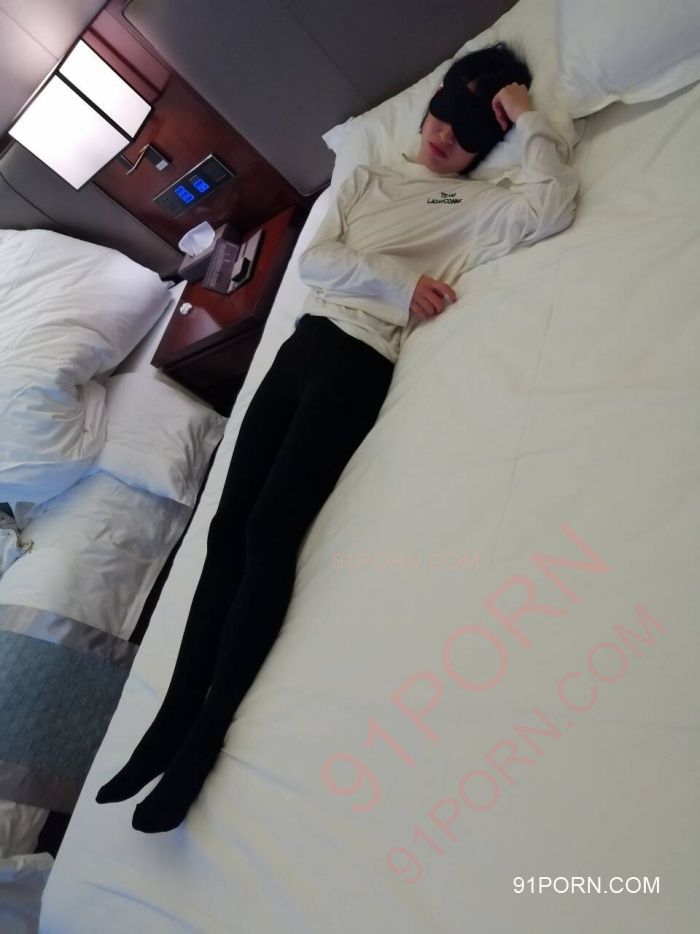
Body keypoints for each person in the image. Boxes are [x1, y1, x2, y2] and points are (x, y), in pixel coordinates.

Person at [96, 41, 579, 833]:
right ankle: (170, 718)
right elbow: (316, 261)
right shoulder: (365, 178)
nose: (445, 135)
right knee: (225, 528)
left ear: (486, 139)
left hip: (359, 360)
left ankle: (204, 735)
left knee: (269, 527)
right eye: (442, 114)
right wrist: (401, 281)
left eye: (469, 129)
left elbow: (553, 204)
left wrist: (527, 115)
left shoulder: (476, 204)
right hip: (303, 347)